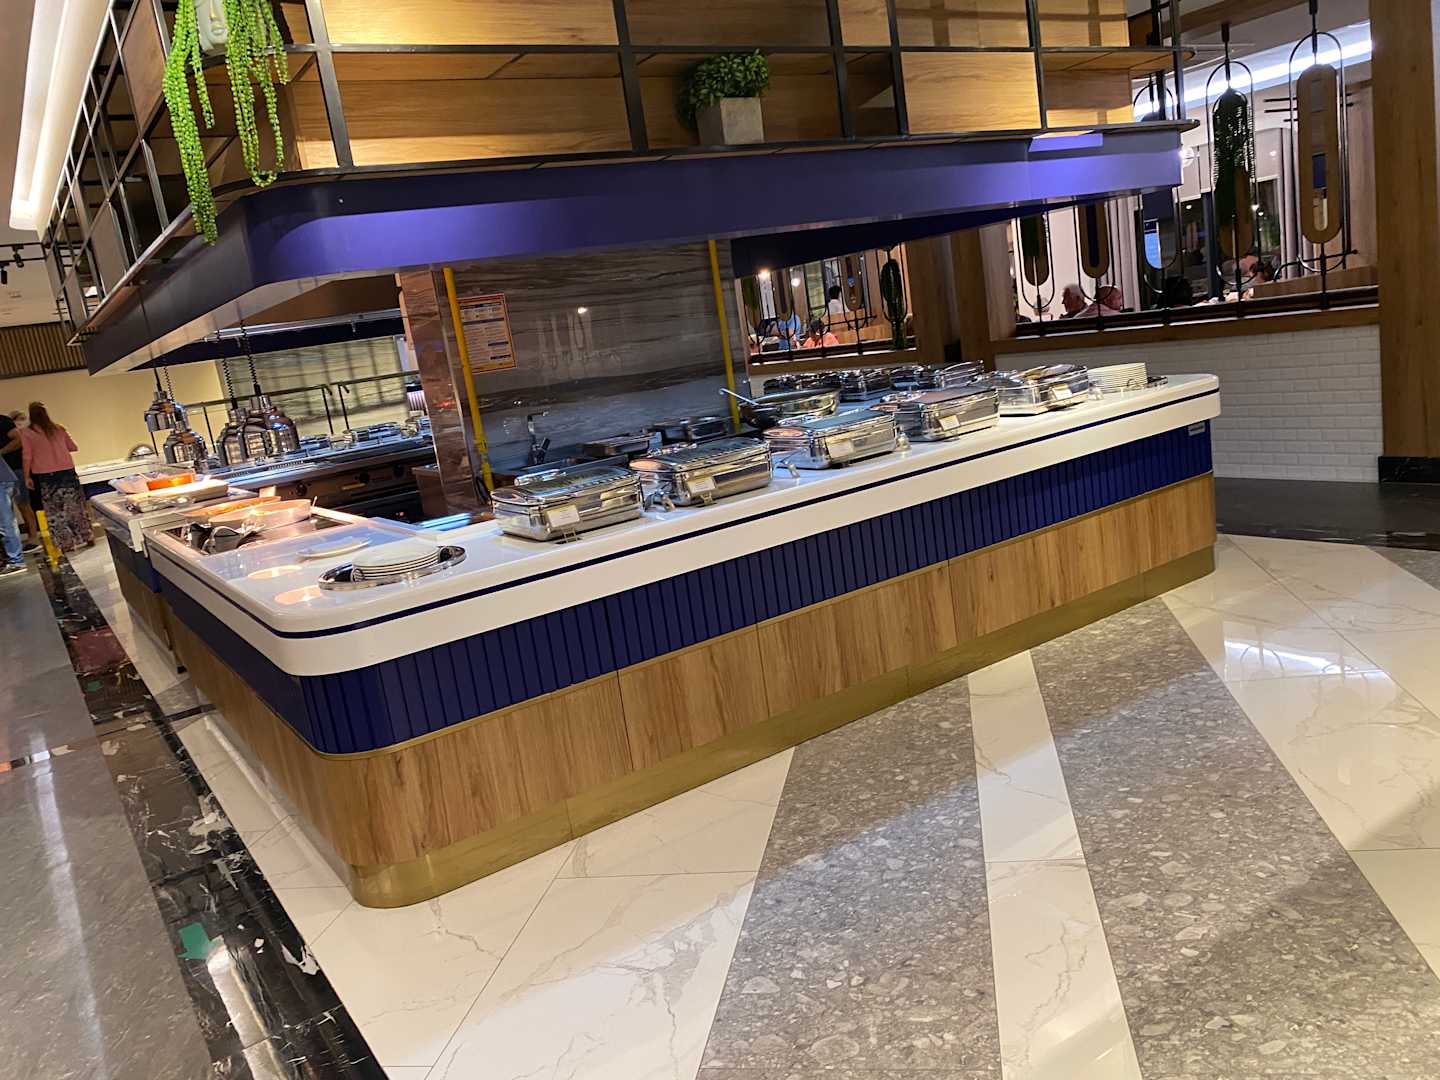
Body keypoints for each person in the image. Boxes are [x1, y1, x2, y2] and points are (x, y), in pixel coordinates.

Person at [21, 401, 92, 553]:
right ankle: (86, 535)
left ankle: (65, 543)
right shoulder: (58, 429)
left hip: (46, 476)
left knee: (55, 511)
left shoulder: (27, 433)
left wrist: (26, 476)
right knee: (75, 505)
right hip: (67, 472)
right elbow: (73, 447)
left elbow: (27, 456)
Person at [0, 409, 40, 552]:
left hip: (14, 469)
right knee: (6, 510)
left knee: (23, 504)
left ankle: (33, 538)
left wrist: (1, 452)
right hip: (4, 471)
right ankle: (11, 544)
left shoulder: (3, 422)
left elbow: (19, 439)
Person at [0, 431, 25, 575]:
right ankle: (14, 559)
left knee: (6, 523)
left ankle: (16, 561)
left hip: (2, 482)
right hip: (6, 479)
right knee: (6, 522)